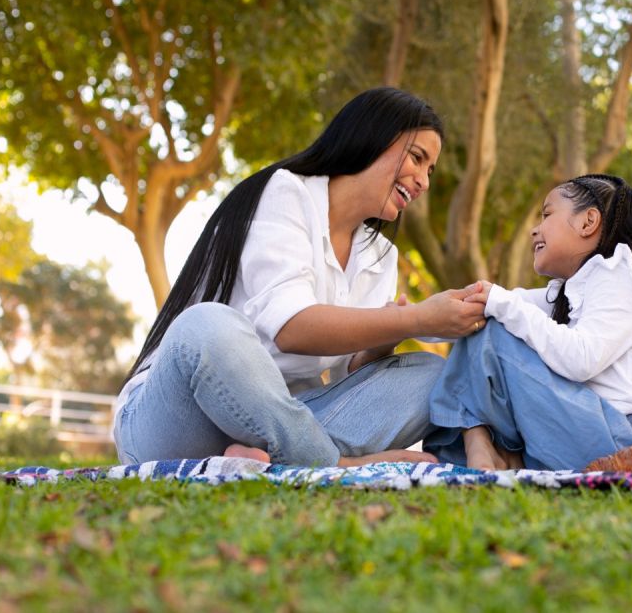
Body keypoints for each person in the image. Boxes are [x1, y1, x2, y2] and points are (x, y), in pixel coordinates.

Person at [113, 87, 488, 467]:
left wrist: (387, 339)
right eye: (417, 158)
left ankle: (265, 459)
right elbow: (291, 328)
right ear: (373, 136)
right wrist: (416, 317)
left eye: (430, 170)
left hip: (285, 420)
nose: (423, 181)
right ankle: (335, 466)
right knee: (206, 325)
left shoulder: (381, 255)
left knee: (433, 375)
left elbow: (349, 377)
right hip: (179, 417)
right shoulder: (284, 192)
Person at [424, 174, 632, 471]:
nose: (535, 230)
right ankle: (488, 447)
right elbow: (493, 304)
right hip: (580, 429)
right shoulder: (572, 290)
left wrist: (500, 303)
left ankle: (481, 443)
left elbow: (581, 359)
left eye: (547, 214)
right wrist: (417, 320)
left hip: (616, 442)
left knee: (498, 324)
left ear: (588, 222)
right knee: (493, 316)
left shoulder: (619, 277)